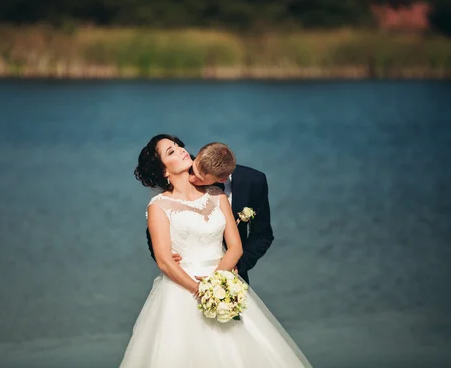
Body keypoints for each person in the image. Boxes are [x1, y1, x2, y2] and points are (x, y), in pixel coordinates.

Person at [119, 134, 312, 367]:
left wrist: (217, 282)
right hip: (182, 290)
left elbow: (236, 246)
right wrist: (200, 289)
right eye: (171, 151)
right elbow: (163, 259)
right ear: (164, 172)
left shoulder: (217, 195)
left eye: (179, 145)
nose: (181, 149)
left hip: (223, 282)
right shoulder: (159, 205)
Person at [146, 140, 274, 284]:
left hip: (231, 276)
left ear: (221, 179)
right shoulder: (187, 164)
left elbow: (262, 235)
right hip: (185, 274)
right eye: (193, 171)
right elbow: (161, 223)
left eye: (199, 178)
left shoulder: (252, 182)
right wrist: (164, 255)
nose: (191, 178)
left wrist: (234, 268)